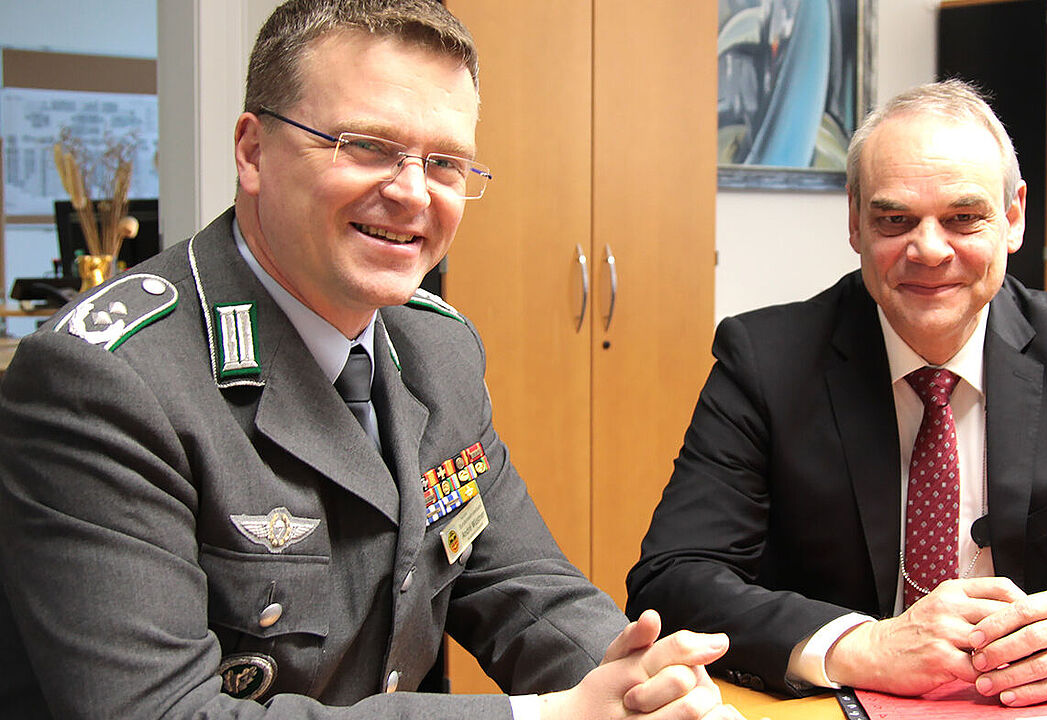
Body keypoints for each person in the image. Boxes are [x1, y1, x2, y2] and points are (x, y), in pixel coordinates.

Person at [0, 2, 744, 718]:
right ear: (253, 151)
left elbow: (518, 581)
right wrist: (542, 717)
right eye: (367, 146)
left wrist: (638, 685)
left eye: (446, 163)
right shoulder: (106, 381)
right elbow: (160, 711)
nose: (413, 193)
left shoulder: (437, 347)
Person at [626, 79, 1047, 708]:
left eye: (963, 218)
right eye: (895, 220)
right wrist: (861, 645)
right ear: (855, 223)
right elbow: (673, 579)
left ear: (1013, 218)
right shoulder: (766, 361)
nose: (928, 249)